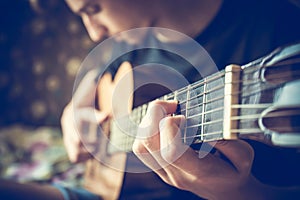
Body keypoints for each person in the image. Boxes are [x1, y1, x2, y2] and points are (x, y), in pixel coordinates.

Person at [1, 0, 300, 199]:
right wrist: (73, 111)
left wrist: (244, 194)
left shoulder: (280, 26)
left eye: (92, 8)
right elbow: (97, 78)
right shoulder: (132, 45)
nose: (93, 33)